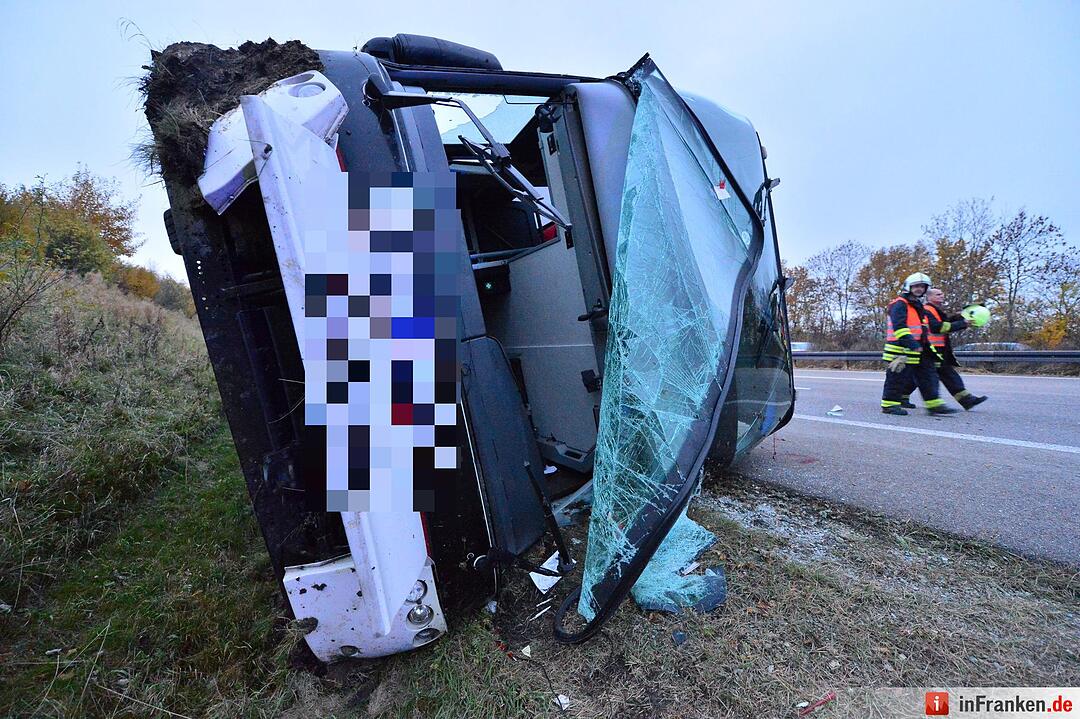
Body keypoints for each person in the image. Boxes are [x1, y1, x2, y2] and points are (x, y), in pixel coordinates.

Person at [881, 273, 958, 416]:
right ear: (908, 287)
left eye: (922, 286)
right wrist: (911, 343)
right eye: (916, 286)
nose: (919, 289)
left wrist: (925, 346)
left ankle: (934, 405)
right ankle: (889, 405)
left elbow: (923, 328)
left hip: (917, 349)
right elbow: (900, 326)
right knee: (897, 378)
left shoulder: (917, 306)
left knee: (928, 376)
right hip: (900, 349)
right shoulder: (899, 304)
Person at [900, 287, 988, 410]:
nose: (942, 296)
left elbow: (946, 322)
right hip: (929, 349)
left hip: (938, 349)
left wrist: (963, 316)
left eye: (942, 294)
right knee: (933, 375)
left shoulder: (935, 310)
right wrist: (963, 323)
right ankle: (960, 401)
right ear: (929, 297)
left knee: (936, 374)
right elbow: (938, 327)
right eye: (938, 294)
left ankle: (966, 400)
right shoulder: (926, 310)